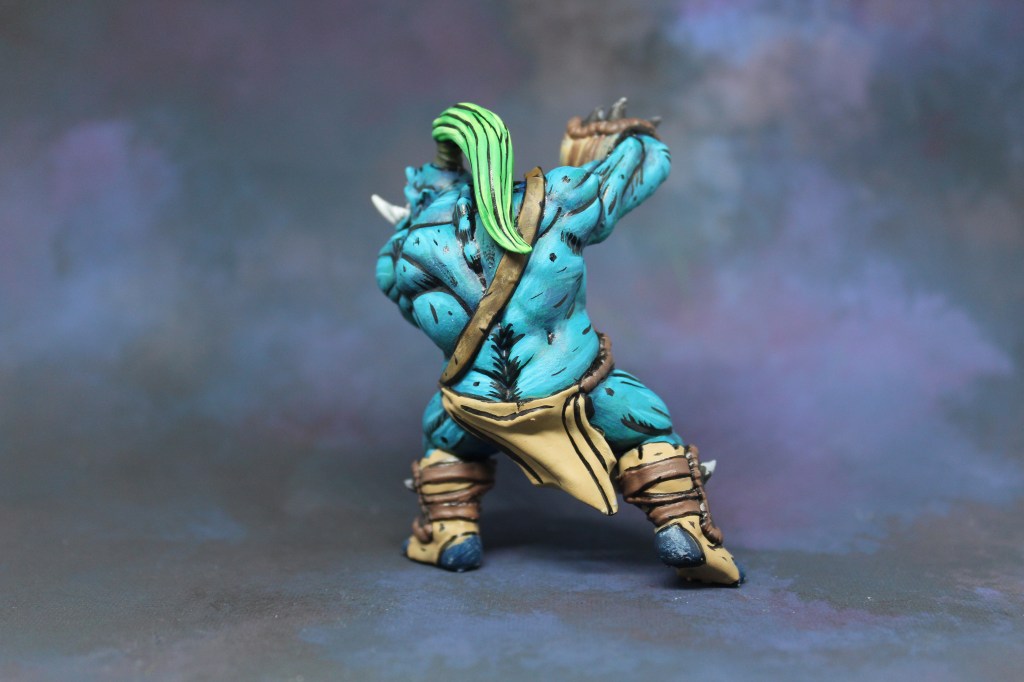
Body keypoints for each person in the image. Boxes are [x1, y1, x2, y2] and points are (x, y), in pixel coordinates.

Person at [374, 100, 742, 586]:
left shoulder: (401, 253)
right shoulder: (557, 199)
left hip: (472, 409)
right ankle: (684, 526)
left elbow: (414, 313)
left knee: (443, 438)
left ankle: (449, 531)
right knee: (649, 426)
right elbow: (647, 167)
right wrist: (620, 139)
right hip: (579, 392)